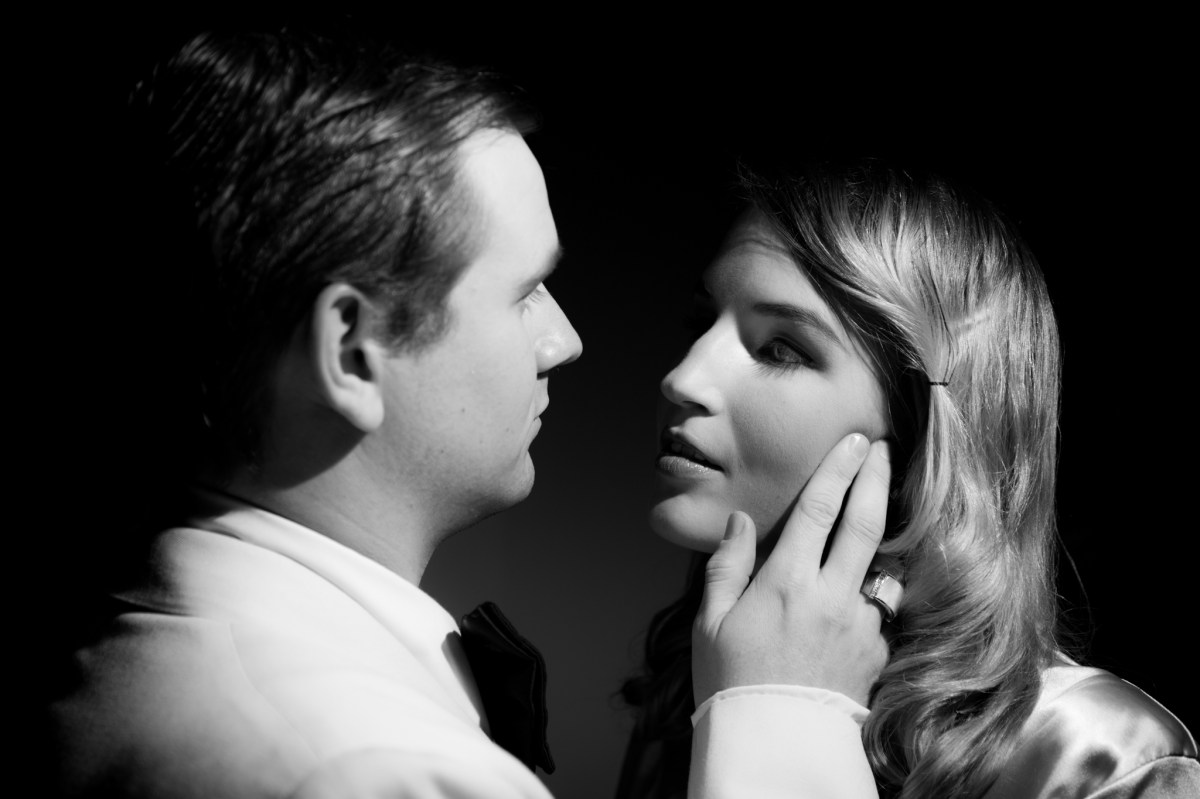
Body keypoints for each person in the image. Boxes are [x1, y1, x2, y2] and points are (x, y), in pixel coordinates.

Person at [45, 30, 893, 798]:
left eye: (781, 348)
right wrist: (788, 723)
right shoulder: (380, 770)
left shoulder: (142, 645)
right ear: (352, 351)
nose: (565, 341)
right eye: (526, 292)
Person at [618, 159, 1200, 798]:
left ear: (921, 430)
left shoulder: (1097, 756)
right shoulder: (693, 678)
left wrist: (780, 715)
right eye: (699, 322)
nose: (682, 378)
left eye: (781, 349)